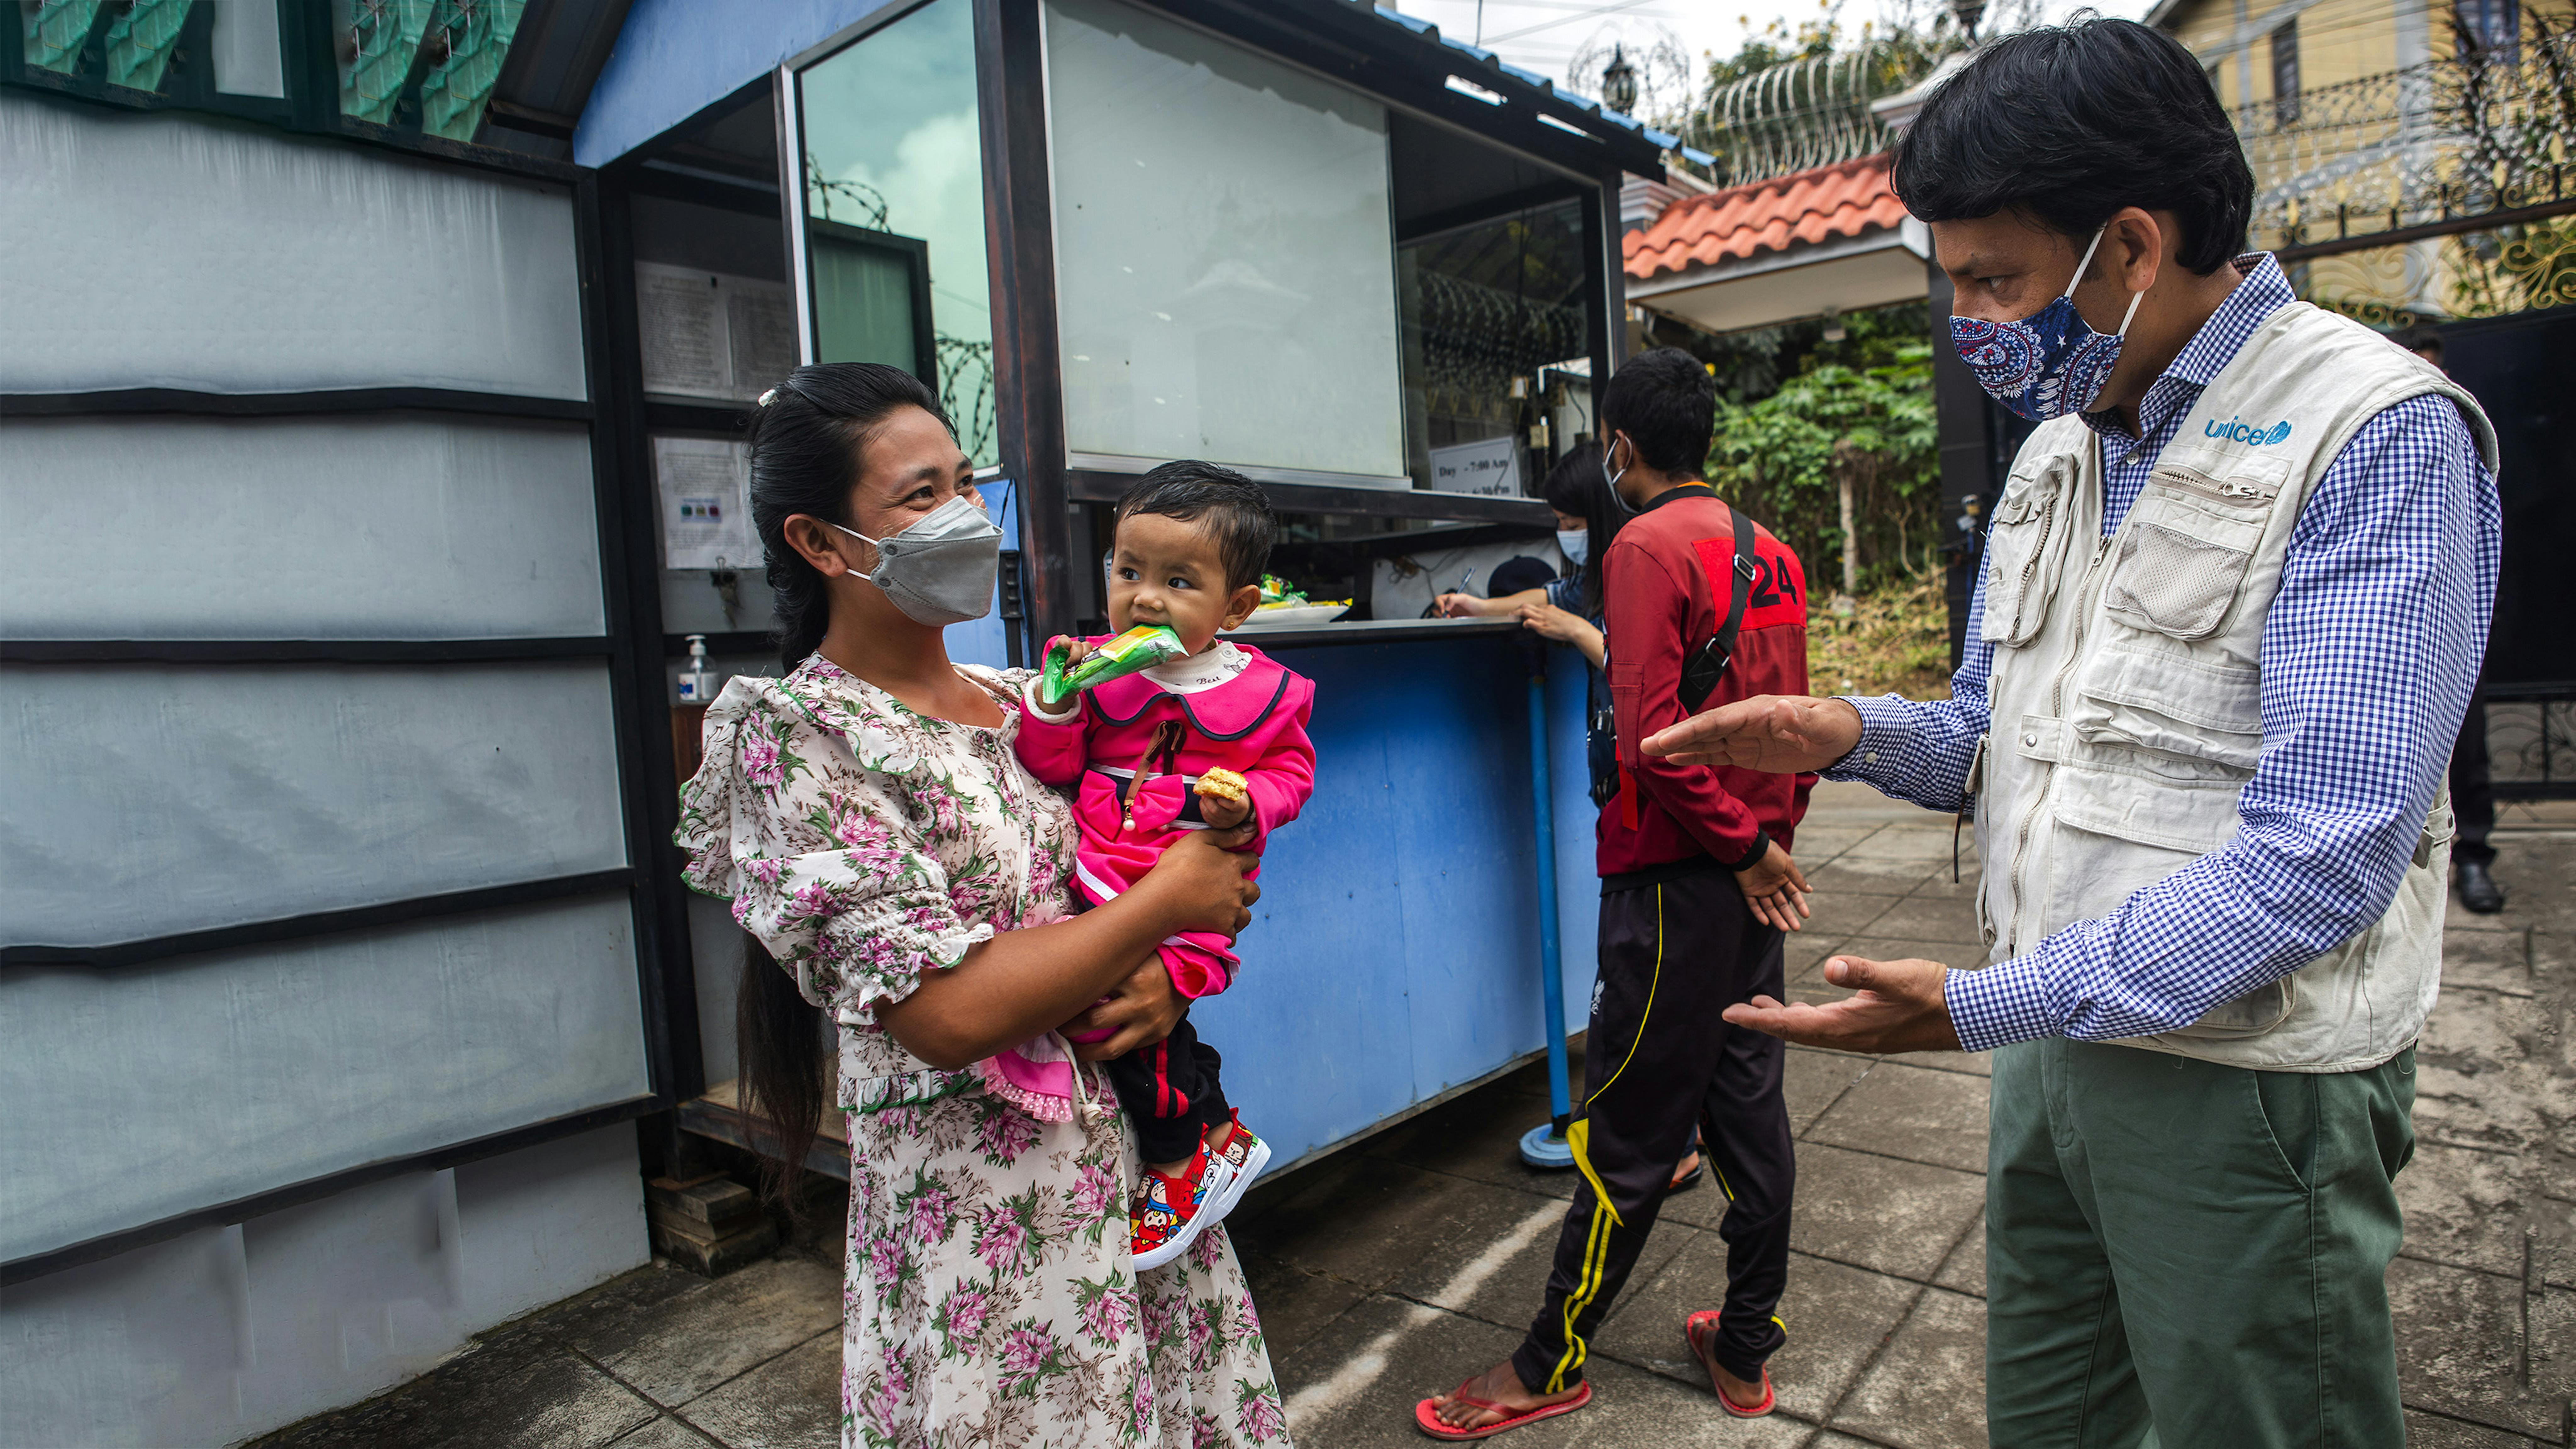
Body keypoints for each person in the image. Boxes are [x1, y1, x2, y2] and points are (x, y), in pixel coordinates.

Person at [1642, 21, 2498, 1448]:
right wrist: (1845, 731)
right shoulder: (2064, 444)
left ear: (2134, 247)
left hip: (2248, 1085)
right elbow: (2001, 732)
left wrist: (1975, 1009)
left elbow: (2323, 858)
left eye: (1995, 280)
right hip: (2056, 1039)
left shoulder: (2373, 431)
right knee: (2052, 1416)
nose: (1971, 318)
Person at [676, 364, 1291, 1447]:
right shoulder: (797, 737)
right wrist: (1158, 911)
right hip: (986, 1242)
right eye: (922, 495)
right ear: (821, 543)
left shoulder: (1031, 701)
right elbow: (944, 1014)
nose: (964, 515)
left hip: (1135, 1197)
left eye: (964, 481)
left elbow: (1191, 871)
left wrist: (1167, 958)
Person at [1419, 348, 1817, 1438]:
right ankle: (1743, 1344)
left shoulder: (1643, 543)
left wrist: (1737, 848)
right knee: (1749, 1115)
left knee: (1628, 1132)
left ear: (1621, 449)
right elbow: (1797, 729)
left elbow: (1648, 745)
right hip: (1750, 881)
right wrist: (1768, 846)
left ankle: (1550, 1359)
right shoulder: (1769, 549)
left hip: (1672, 882)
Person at [1013, 462, 1317, 1270]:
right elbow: (1054, 766)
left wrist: (1248, 801)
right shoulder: (1096, 669)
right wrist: (1054, 703)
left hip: (1191, 888)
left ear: (1237, 606)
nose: (1144, 598)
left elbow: (1294, 776)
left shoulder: (1267, 691)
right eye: (1128, 572)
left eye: (1179, 581)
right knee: (1154, 1022)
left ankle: (1178, 1163)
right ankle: (1221, 1129)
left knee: (1136, 1032)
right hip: (1100, 873)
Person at [1440, 451, 1713, 1195]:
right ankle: (1672, 1132)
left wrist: (1570, 629)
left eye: (1570, 521)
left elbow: (1633, 664)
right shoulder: (1592, 577)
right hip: (1617, 792)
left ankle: (1675, 1140)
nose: (1566, 535)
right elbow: (1541, 596)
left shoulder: (1639, 565)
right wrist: (1475, 608)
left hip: (1650, 792)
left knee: (1648, 972)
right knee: (1642, 968)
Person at [2399, 324, 2507, 914]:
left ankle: (2474, 859)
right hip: (2396, 619)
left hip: (2457, 608)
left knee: (2467, 744)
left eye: (2435, 364)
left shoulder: (2462, 432)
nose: (2428, 372)